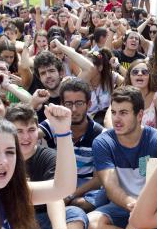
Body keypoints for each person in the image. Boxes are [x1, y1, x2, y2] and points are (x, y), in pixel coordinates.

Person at [86, 86, 157, 229]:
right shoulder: (103, 143)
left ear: (140, 115)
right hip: (122, 205)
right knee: (91, 224)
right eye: (114, 112)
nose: (116, 119)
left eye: (123, 113)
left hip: (154, 207)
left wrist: (142, 210)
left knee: (140, 223)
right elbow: (111, 187)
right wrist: (131, 203)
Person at [5, 104, 88, 229]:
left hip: (43, 219)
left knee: (75, 214)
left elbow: (55, 196)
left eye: (31, 130)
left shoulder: (48, 156)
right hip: (12, 221)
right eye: (19, 131)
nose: (26, 137)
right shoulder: (0, 159)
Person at [41, 78, 107, 213]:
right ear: (61, 104)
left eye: (79, 103)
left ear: (89, 104)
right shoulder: (53, 123)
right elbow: (27, 137)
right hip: (58, 182)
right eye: (69, 104)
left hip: (86, 188)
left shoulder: (100, 134)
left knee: (80, 204)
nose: (74, 109)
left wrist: (71, 195)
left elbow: (98, 179)